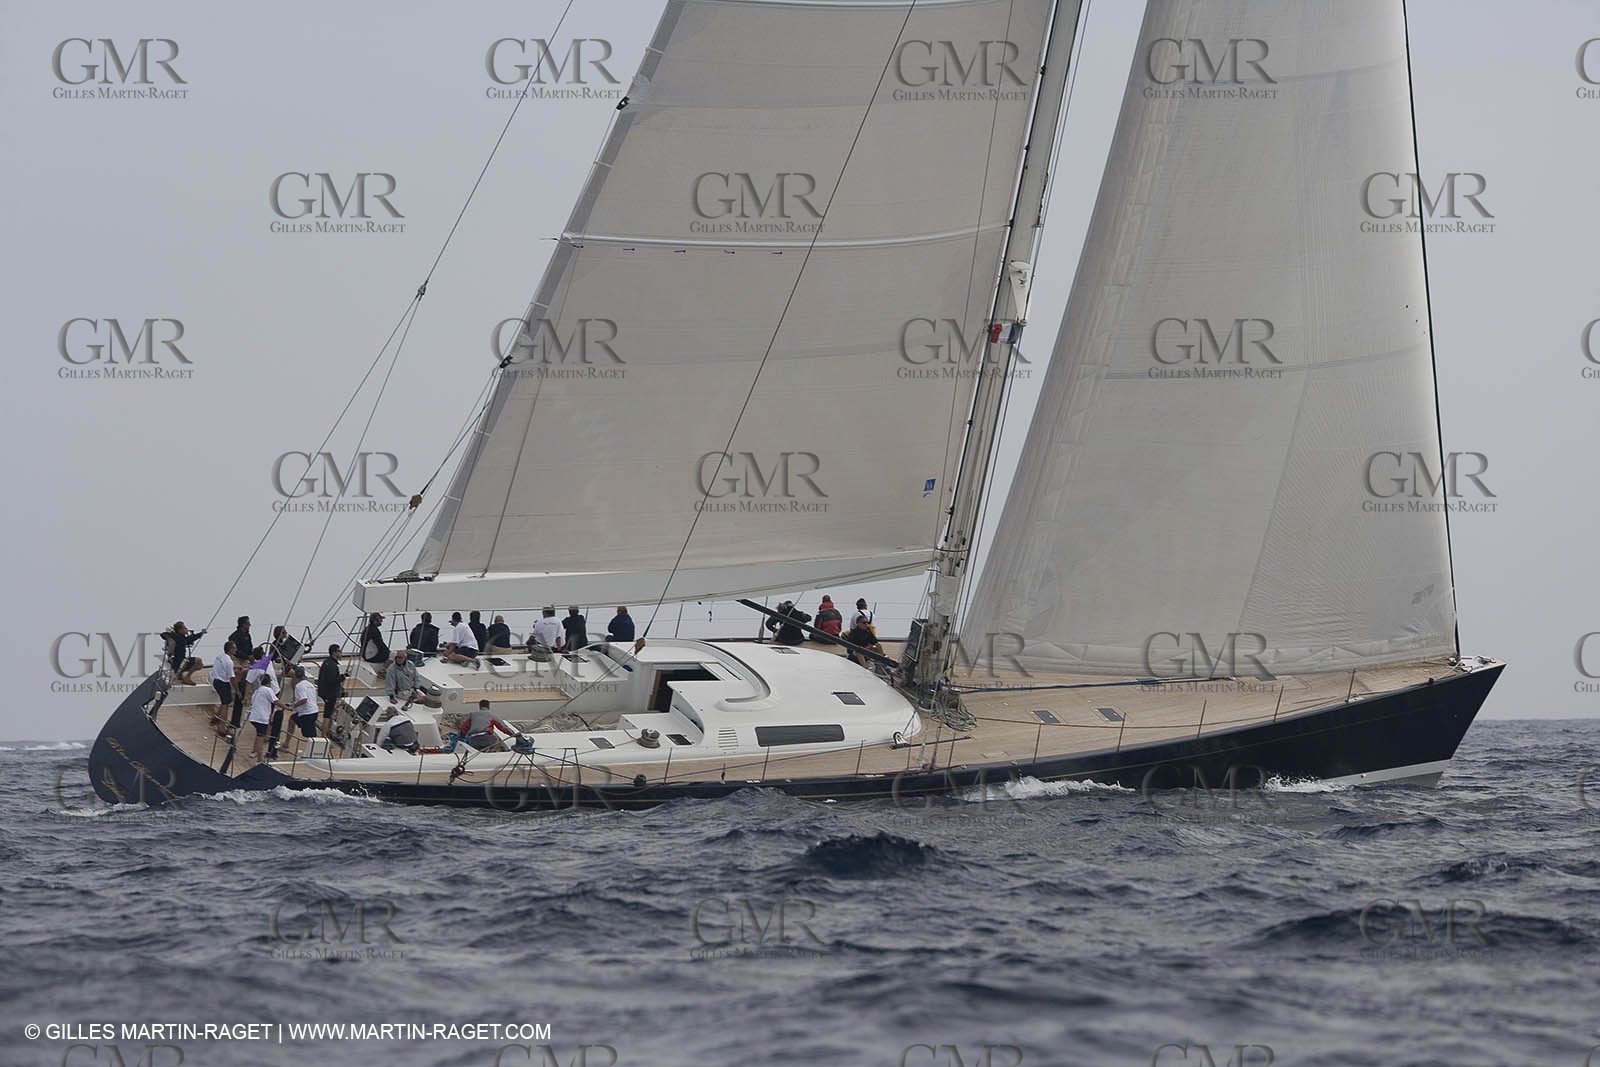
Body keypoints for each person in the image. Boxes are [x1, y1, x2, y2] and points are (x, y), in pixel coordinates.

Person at [248, 668, 286, 764]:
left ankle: (253, 751)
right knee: (261, 737)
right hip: (261, 718)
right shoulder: (268, 690)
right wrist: (287, 707)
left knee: (259, 734)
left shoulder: (257, 691)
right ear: (269, 682)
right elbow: (276, 701)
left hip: (254, 717)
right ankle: (260, 759)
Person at [285, 666, 320, 743]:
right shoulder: (310, 684)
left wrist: (294, 706)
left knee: (311, 736)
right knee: (292, 720)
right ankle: (286, 743)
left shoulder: (299, 686)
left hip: (307, 713)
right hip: (313, 711)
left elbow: (304, 700)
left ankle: (320, 747)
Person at [210, 641, 239, 735]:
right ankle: (222, 728)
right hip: (223, 683)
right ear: (230, 650)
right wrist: (237, 691)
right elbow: (232, 678)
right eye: (234, 648)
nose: (236, 650)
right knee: (226, 705)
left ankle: (216, 717)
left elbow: (224, 669)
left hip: (215, 681)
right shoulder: (229, 662)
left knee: (224, 702)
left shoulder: (220, 657)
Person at [317, 644, 345, 724]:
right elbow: (332, 680)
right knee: (327, 715)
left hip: (326, 692)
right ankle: (324, 734)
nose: (341, 653)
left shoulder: (327, 662)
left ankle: (327, 732)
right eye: (339, 651)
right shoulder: (332, 665)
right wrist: (342, 677)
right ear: (334, 653)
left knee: (330, 713)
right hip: (330, 694)